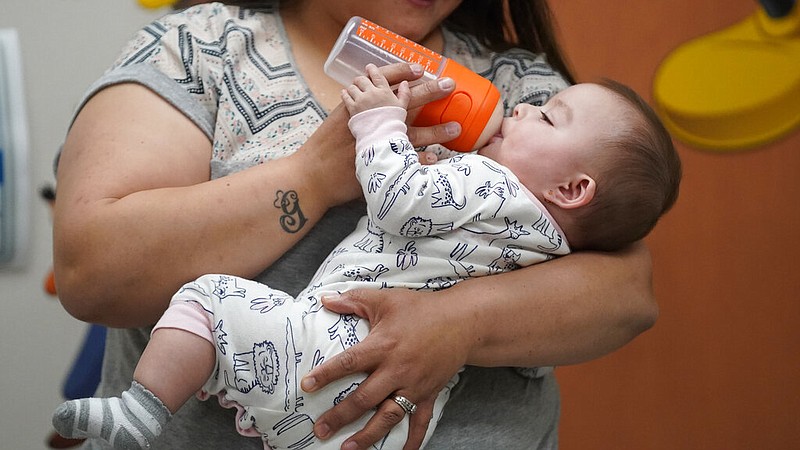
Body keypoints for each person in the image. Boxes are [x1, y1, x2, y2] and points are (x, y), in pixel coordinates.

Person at [52, 1, 662, 449]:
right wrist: (315, 178)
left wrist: (457, 325)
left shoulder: (518, 92)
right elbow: (92, 271)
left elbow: (625, 294)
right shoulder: (200, 50)